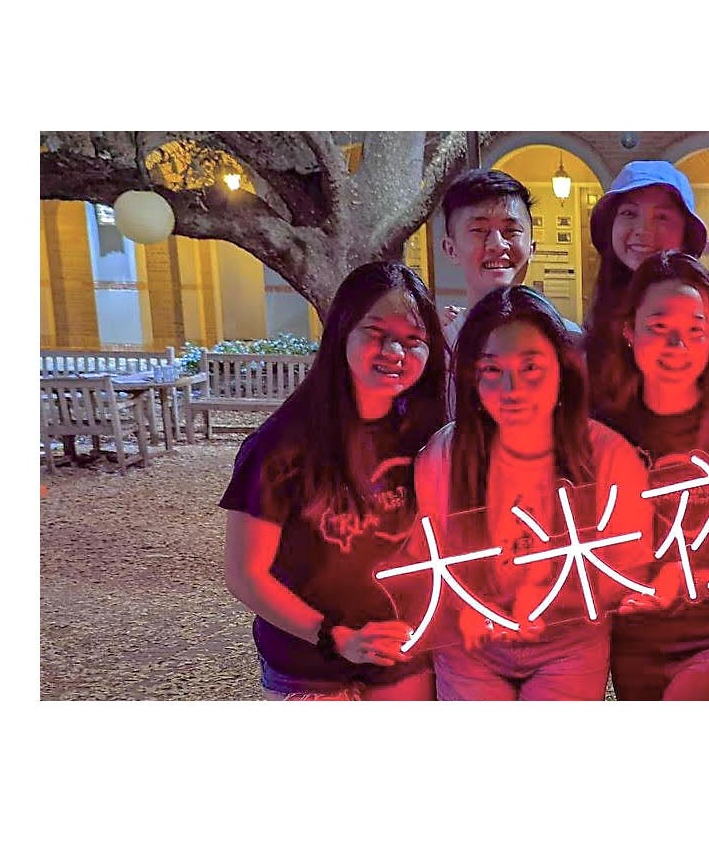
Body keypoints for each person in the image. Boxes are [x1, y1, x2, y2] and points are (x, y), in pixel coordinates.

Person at [219, 261, 448, 700]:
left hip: (403, 656)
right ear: (342, 330)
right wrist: (336, 637)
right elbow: (245, 574)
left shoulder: (427, 434)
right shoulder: (281, 446)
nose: (395, 353)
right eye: (377, 332)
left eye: (413, 340)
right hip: (309, 665)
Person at [413, 285, 652, 700]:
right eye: (492, 370)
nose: (512, 389)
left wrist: (558, 597)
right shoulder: (445, 455)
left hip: (569, 643)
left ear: (563, 369)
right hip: (471, 646)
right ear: (471, 376)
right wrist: (465, 607)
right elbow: (425, 560)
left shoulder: (609, 457)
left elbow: (630, 571)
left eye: (531, 368)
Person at [592, 251, 709, 700]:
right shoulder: (603, 434)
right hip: (632, 642)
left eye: (694, 330)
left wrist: (687, 580)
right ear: (628, 330)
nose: (676, 347)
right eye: (659, 328)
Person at [583, 160, 709, 382]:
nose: (643, 230)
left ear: (685, 234)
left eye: (662, 217)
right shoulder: (601, 317)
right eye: (630, 213)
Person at [436, 169, 583, 348]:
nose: (498, 244)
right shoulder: (436, 348)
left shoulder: (568, 342)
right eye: (479, 230)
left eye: (511, 231)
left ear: (532, 248)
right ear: (450, 249)